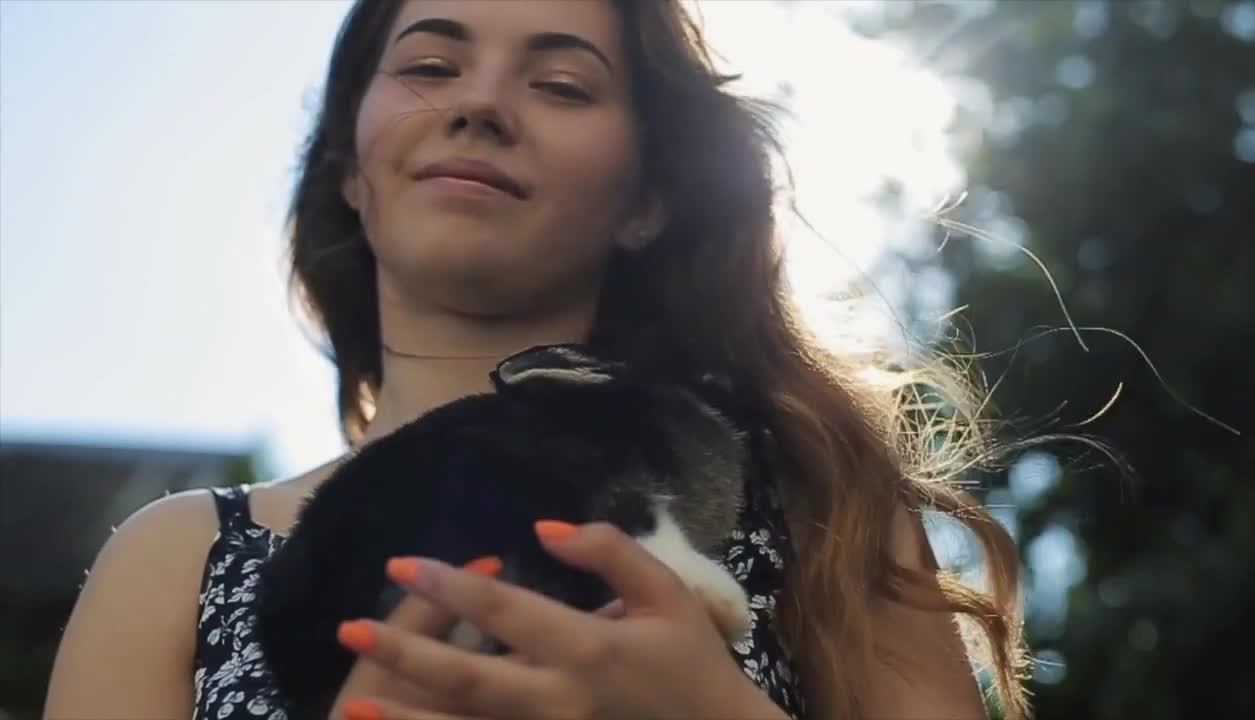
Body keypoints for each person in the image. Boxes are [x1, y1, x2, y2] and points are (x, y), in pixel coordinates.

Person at [44, 1, 1028, 719]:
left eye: (561, 84)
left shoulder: (816, 497)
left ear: (647, 201)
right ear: (349, 166)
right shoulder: (178, 558)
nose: (478, 104)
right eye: (430, 66)